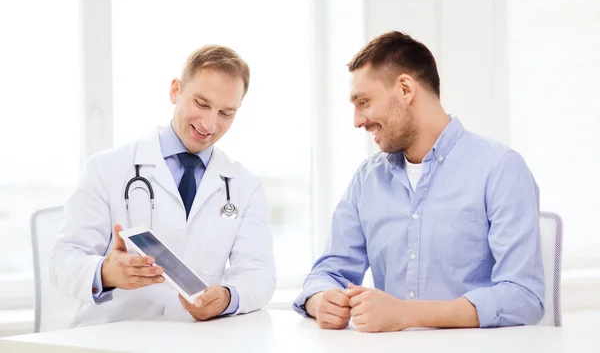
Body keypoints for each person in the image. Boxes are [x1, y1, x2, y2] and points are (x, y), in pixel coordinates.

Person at [293, 31, 544, 332]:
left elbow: (524, 297)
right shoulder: (366, 179)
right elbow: (328, 272)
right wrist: (321, 301)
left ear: (405, 88)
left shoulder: (500, 169)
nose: (357, 121)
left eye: (364, 102)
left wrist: (407, 314)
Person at [50, 45, 275, 326]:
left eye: (226, 113)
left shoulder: (245, 185)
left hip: (194, 340)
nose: (209, 123)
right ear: (175, 91)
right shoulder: (106, 168)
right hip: (111, 339)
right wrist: (106, 272)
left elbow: (259, 273)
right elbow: (62, 261)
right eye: (201, 104)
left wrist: (228, 297)